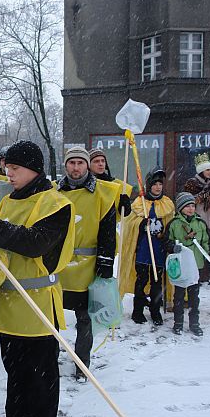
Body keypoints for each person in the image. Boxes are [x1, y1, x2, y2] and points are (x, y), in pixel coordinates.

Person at [0, 140, 74, 417]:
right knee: (14, 367)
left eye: (15, 168)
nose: (8, 173)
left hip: (37, 303)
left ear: (33, 169)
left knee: (40, 373)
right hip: (8, 302)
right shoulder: (6, 200)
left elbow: (34, 243)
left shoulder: (54, 203)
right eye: (7, 168)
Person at [56, 146, 119, 382]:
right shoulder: (54, 192)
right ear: (66, 166)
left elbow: (108, 232)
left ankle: (82, 363)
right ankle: (49, 357)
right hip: (59, 265)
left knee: (85, 318)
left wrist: (105, 260)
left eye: (80, 163)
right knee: (52, 315)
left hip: (89, 265)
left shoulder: (103, 193)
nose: (75, 167)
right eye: (71, 163)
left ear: (87, 165)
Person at [120, 169, 175, 326]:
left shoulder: (167, 204)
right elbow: (129, 225)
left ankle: (155, 310)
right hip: (143, 250)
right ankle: (137, 311)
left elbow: (171, 227)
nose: (157, 187)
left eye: (160, 184)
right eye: (154, 184)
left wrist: (164, 236)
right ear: (148, 185)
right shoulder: (139, 204)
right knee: (141, 280)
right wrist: (141, 224)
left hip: (159, 250)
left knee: (157, 282)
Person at [166, 193, 209, 336]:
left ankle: (194, 323)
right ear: (180, 208)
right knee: (178, 296)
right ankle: (178, 323)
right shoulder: (174, 224)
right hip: (180, 267)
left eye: (192, 206)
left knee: (194, 297)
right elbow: (166, 242)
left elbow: (207, 243)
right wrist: (172, 247)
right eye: (187, 206)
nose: (191, 209)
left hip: (195, 266)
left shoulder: (200, 223)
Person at [88, 147, 132, 218]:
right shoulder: (84, 183)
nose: (101, 164)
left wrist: (125, 205)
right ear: (88, 164)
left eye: (103, 161)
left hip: (108, 226)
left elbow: (122, 213)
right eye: (96, 161)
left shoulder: (114, 184)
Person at [183, 153, 210, 229]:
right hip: (195, 219)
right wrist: (205, 192)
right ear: (201, 170)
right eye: (208, 170)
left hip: (209, 219)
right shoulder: (192, 182)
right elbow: (190, 201)